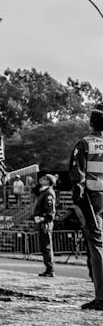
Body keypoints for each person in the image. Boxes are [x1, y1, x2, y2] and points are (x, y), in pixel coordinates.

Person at [69, 105, 103, 310]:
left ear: (91, 122)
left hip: (92, 200)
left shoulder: (84, 144)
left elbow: (77, 178)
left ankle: (101, 297)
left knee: (97, 246)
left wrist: (78, 202)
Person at [33, 173, 58, 278]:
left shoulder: (48, 193)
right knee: (44, 245)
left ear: (49, 181)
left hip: (45, 223)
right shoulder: (43, 192)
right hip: (42, 222)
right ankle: (48, 267)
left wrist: (44, 219)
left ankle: (50, 268)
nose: (41, 179)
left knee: (47, 245)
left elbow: (50, 211)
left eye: (44, 178)